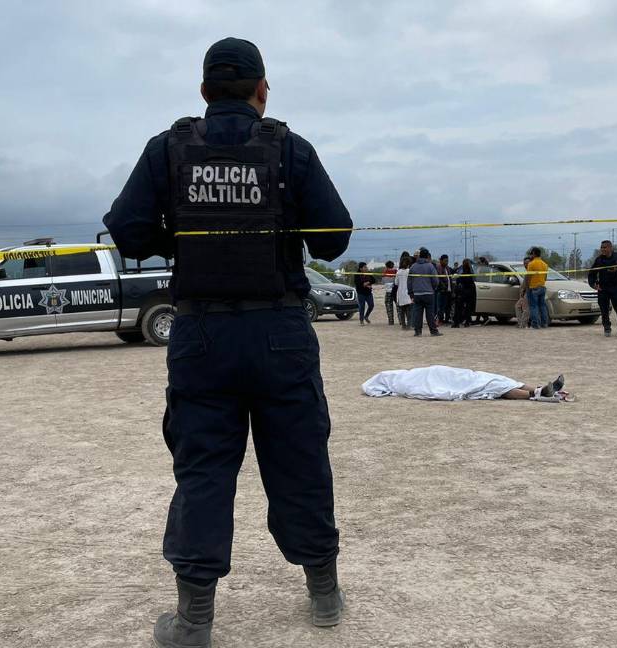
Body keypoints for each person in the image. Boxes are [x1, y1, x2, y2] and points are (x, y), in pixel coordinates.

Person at [102, 37, 350, 647]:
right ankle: (323, 593)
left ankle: (193, 622)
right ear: (262, 90)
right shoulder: (289, 148)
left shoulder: (168, 149)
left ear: (205, 90)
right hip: (280, 332)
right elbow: (334, 239)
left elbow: (128, 230)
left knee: (204, 470)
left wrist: (183, 240)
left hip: (202, 334)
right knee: (299, 460)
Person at [362, 366, 566, 401]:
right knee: (492, 387)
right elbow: (424, 389)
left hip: (447, 373)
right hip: (443, 378)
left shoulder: (403, 376)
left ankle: (540, 389)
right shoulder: (402, 383)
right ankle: (536, 394)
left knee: (494, 379)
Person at [587, 240, 617, 337]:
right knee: (604, 311)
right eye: (601, 247)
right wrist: (593, 284)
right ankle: (607, 328)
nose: (602, 249)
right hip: (603, 289)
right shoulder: (598, 260)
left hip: (616, 288)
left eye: (605, 247)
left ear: (610, 248)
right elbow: (591, 273)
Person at [408, 248, 441, 337]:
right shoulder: (430, 266)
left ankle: (418, 331)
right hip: (429, 293)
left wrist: (411, 293)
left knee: (417, 313)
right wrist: (433, 288)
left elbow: (409, 281)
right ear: (427, 256)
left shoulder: (413, 267)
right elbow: (435, 281)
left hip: (417, 294)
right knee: (430, 313)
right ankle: (433, 331)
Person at [525, 246, 549, 329]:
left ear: (534, 254)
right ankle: (544, 323)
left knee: (533, 306)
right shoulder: (545, 264)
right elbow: (545, 277)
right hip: (542, 287)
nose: (530, 255)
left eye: (531, 254)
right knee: (542, 306)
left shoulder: (531, 264)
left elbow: (528, 277)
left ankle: (535, 324)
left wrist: (527, 287)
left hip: (533, 288)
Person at [452, 258, 476, 328]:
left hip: (462, 292)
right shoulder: (471, 273)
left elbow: (458, 281)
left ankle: (457, 323)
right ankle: (467, 322)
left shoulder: (461, 273)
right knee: (468, 307)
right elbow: (472, 282)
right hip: (469, 292)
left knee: (458, 307)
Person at [435, 254, 454, 326]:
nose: (447, 262)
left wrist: (451, 289)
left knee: (447, 306)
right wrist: (444, 287)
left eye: (447, 261)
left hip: (448, 291)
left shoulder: (447, 268)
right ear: (441, 260)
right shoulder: (439, 268)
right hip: (442, 290)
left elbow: (450, 279)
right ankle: (440, 320)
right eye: (445, 261)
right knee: (440, 306)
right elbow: (439, 279)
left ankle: (446, 319)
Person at [473, 256, 491, 326]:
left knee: (481, 304)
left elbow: (481, 278)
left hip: (483, 287)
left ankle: (485, 318)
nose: (477, 262)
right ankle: (478, 319)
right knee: (479, 304)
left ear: (482, 262)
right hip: (480, 286)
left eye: (479, 261)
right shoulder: (481, 268)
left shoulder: (484, 269)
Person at [395, 256, 413, 330]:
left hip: (400, 293)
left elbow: (396, 283)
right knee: (409, 311)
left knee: (402, 311)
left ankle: (403, 325)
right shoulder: (410, 271)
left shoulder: (398, 272)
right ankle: (409, 325)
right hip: (408, 293)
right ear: (409, 264)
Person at [382, 260, 397, 325]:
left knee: (389, 307)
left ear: (386, 266)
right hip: (395, 291)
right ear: (393, 265)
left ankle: (391, 321)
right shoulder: (396, 272)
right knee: (399, 307)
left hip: (388, 291)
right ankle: (400, 320)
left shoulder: (384, 273)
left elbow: (383, 282)